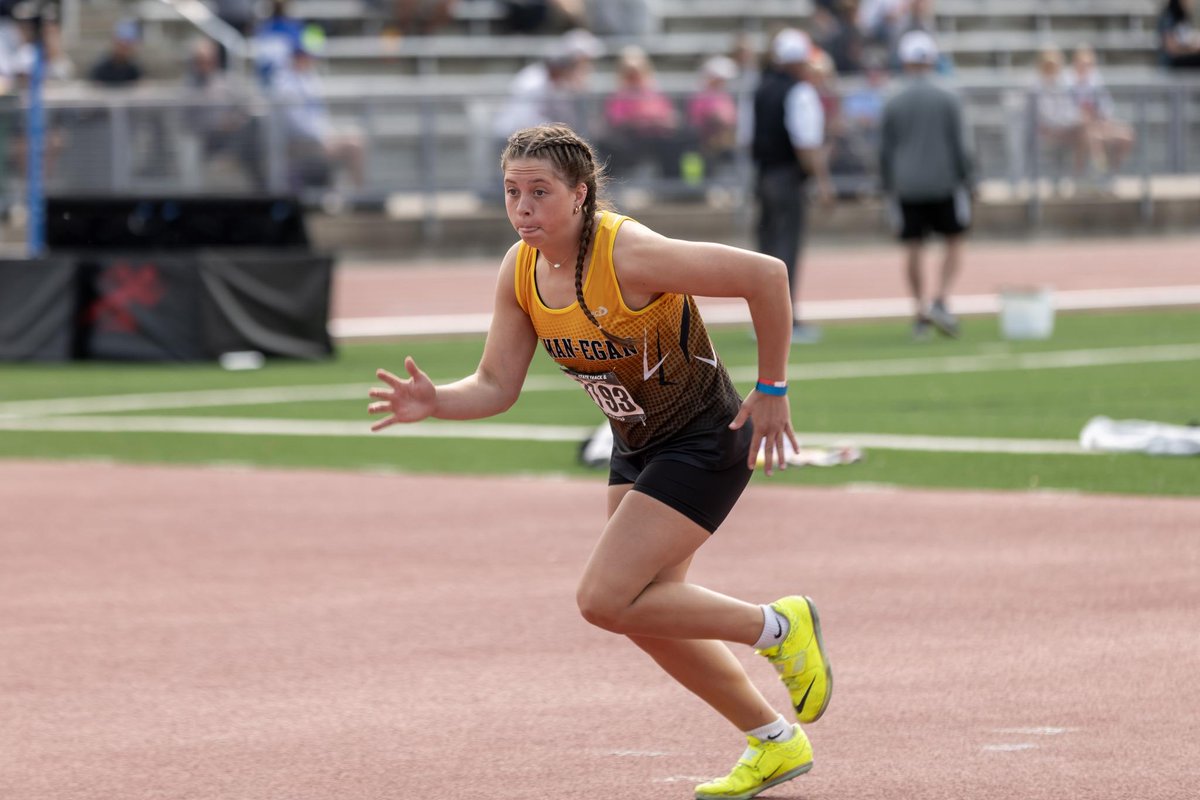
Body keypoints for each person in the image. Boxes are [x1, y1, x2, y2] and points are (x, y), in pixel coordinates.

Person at [367, 122, 833, 800]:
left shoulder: (629, 253)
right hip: (637, 445)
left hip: (704, 439)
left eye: (540, 192)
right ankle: (773, 741)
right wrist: (436, 400)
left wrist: (773, 387)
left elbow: (767, 275)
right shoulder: (521, 270)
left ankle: (780, 626)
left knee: (603, 600)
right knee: (643, 612)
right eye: (511, 193)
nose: (523, 209)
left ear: (581, 195)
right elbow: (496, 385)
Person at [879, 30, 974, 340]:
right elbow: (962, 145)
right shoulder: (949, 96)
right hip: (945, 181)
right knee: (955, 240)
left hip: (907, 184)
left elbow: (884, 149)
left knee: (913, 245)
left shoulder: (893, 98)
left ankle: (920, 311)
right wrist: (969, 177)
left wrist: (886, 183)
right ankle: (941, 299)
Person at [750, 28, 833, 344]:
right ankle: (786, 322)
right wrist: (822, 182)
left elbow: (749, 138)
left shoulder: (760, 89)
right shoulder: (800, 91)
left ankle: (764, 320)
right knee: (785, 251)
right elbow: (806, 142)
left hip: (764, 176)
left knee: (766, 250)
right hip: (786, 177)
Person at [1066, 43, 1134, 187]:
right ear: (1075, 63)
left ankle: (1110, 175)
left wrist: (1101, 118)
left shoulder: (1096, 82)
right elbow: (1065, 111)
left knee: (1126, 135)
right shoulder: (1067, 83)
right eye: (1082, 63)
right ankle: (1087, 175)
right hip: (1075, 128)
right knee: (1091, 135)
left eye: (1088, 64)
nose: (1085, 67)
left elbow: (1106, 108)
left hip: (1098, 125)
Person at [1158, 0, 1200, 69]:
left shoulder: (1182, 18)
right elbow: (1172, 49)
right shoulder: (1168, 17)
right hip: (1171, 63)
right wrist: (1193, 49)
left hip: (1182, 57)